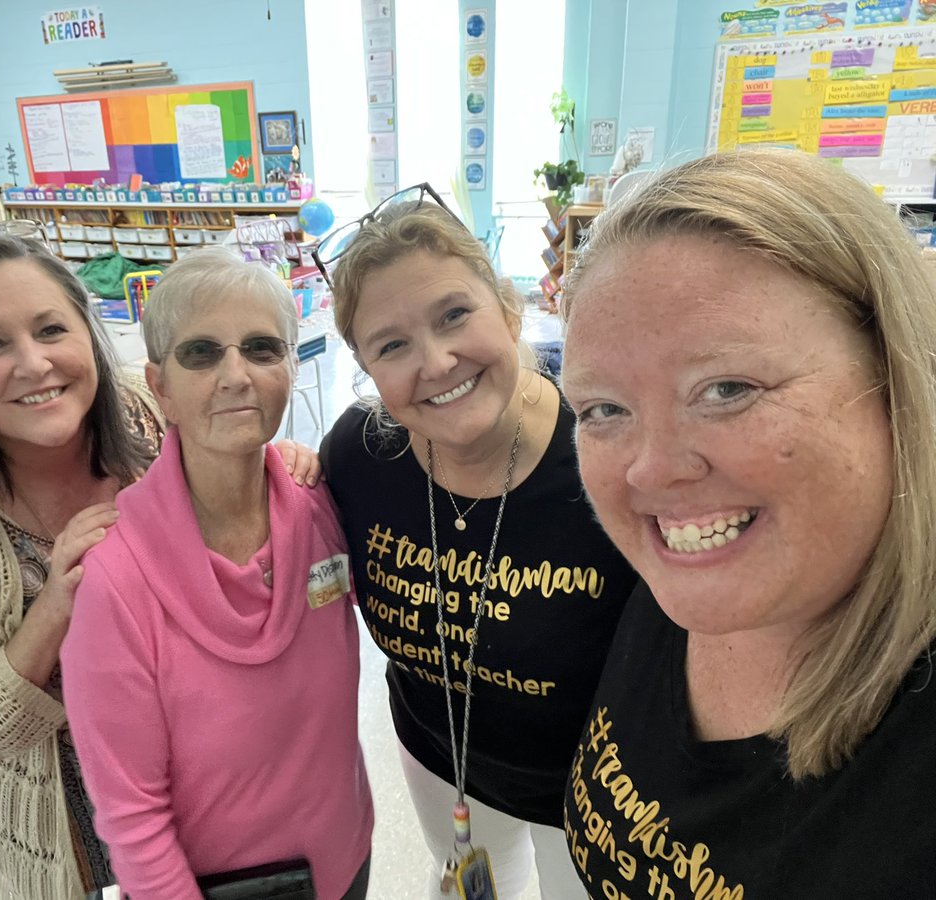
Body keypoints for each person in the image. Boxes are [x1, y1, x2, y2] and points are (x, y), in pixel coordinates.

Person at [0, 235, 319, 899]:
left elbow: (233, 457)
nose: (34, 363)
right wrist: (54, 607)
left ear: (88, 330)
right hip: (72, 833)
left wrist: (279, 464)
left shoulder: (145, 412)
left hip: (214, 799)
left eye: (52, 329)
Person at [558, 148, 936, 897]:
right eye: (604, 410)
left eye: (727, 388)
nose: (650, 471)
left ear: (896, 376)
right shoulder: (685, 574)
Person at [317, 185, 636, 899]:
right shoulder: (359, 459)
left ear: (510, 306)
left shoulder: (606, 454)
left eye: (455, 314)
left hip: (591, 792)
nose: (434, 362)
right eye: (392, 345)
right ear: (366, 369)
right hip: (439, 759)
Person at [60, 246, 374, 900]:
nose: (237, 375)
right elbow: (131, 814)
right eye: (202, 353)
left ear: (292, 367)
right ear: (161, 386)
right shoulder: (116, 581)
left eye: (263, 349)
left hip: (346, 861)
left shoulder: (320, 506)